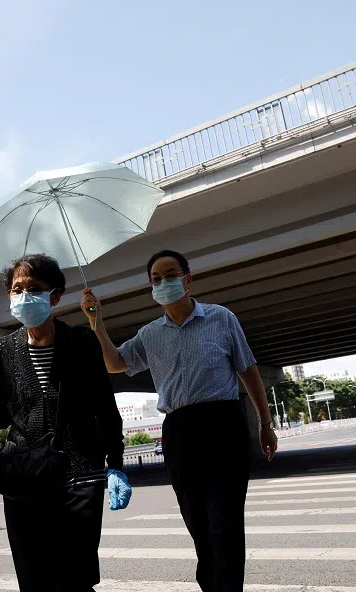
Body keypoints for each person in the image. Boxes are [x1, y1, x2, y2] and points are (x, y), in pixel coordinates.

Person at [81, 249, 278, 592]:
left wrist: (265, 422)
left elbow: (247, 369)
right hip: (179, 432)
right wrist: (96, 322)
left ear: (188, 280)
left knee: (225, 524)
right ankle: (211, 585)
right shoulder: (149, 334)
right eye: (156, 279)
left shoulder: (221, 318)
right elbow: (114, 363)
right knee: (199, 525)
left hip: (223, 425)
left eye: (170, 275)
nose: (163, 283)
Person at [0, 253, 130, 592]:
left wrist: (116, 464)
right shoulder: (2, 350)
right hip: (25, 475)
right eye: (16, 289)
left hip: (80, 474)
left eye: (33, 288)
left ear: (54, 296)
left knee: (75, 577)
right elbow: (2, 415)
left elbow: (104, 407)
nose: (23, 296)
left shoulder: (82, 343)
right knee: (33, 577)